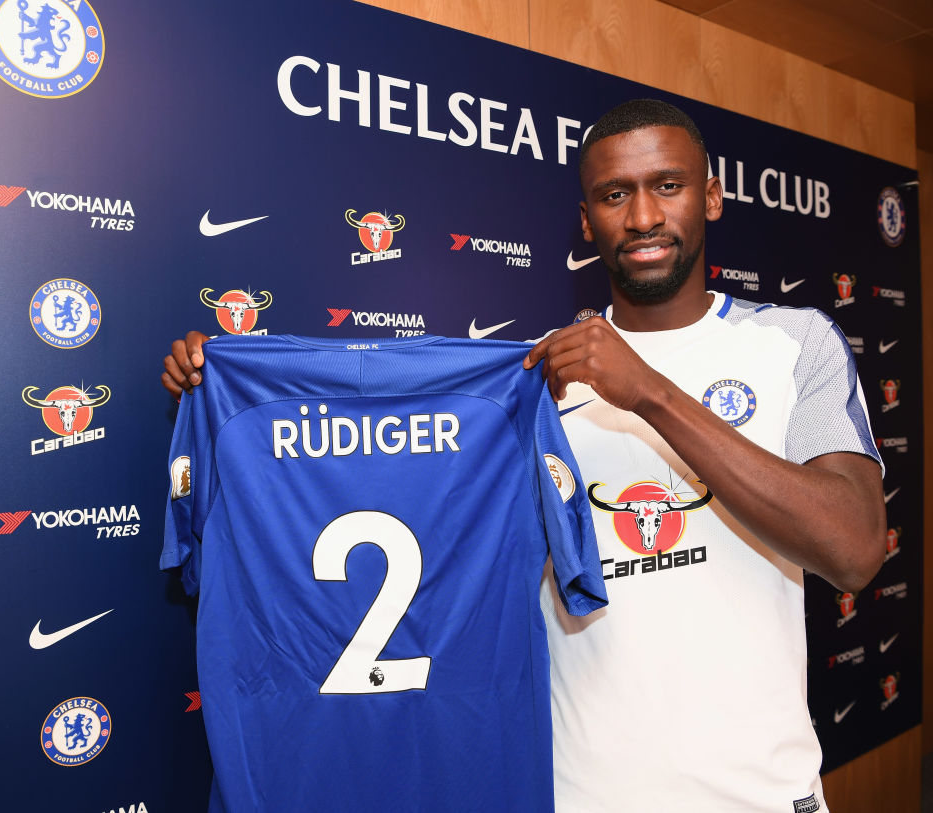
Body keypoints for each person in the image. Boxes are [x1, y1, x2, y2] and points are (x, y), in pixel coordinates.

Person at [162, 99, 886, 812]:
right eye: (614, 195)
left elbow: (853, 549)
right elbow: (375, 451)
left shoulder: (794, 343)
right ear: (586, 220)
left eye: (668, 185)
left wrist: (652, 393)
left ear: (713, 197)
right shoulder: (535, 382)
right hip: (582, 797)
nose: (642, 216)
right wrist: (224, 386)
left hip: (762, 793)